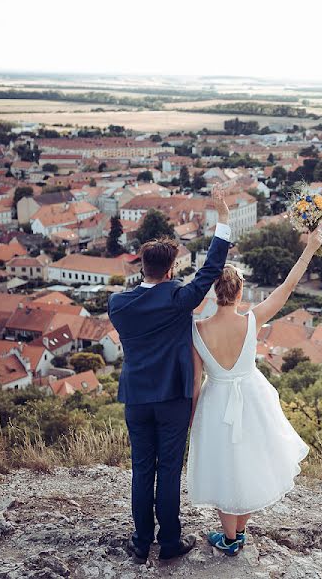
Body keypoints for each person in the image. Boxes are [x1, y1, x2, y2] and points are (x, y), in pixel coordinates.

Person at [108, 187, 231, 564]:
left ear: (142, 266)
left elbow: (140, 296)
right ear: (172, 268)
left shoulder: (118, 305)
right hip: (174, 398)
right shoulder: (178, 298)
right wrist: (222, 222)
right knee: (169, 469)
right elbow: (210, 271)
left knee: (142, 469)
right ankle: (171, 541)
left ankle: (142, 541)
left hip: (136, 399)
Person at [186, 226, 322, 556]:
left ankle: (230, 537)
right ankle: (239, 532)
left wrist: (192, 420)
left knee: (223, 466)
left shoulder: (197, 329)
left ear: (212, 291)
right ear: (239, 292)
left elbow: (194, 383)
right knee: (251, 462)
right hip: (252, 398)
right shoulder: (252, 319)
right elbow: (287, 288)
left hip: (215, 401)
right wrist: (309, 249)